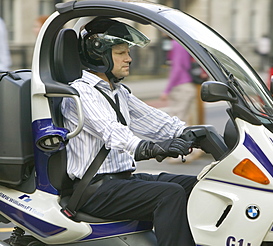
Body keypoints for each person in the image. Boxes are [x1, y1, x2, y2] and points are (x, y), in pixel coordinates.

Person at [61, 17, 197, 246]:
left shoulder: (117, 92)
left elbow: (156, 121)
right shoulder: (81, 93)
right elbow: (112, 132)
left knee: (195, 184)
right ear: (99, 54)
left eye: (128, 52)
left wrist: (194, 133)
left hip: (121, 182)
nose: (129, 59)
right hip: (96, 189)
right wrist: (148, 148)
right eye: (121, 53)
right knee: (169, 195)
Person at [160, 39, 196, 123]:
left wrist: (166, 91)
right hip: (187, 85)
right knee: (186, 120)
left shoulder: (177, 44)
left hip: (181, 86)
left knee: (177, 122)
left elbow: (177, 68)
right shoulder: (184, 43)